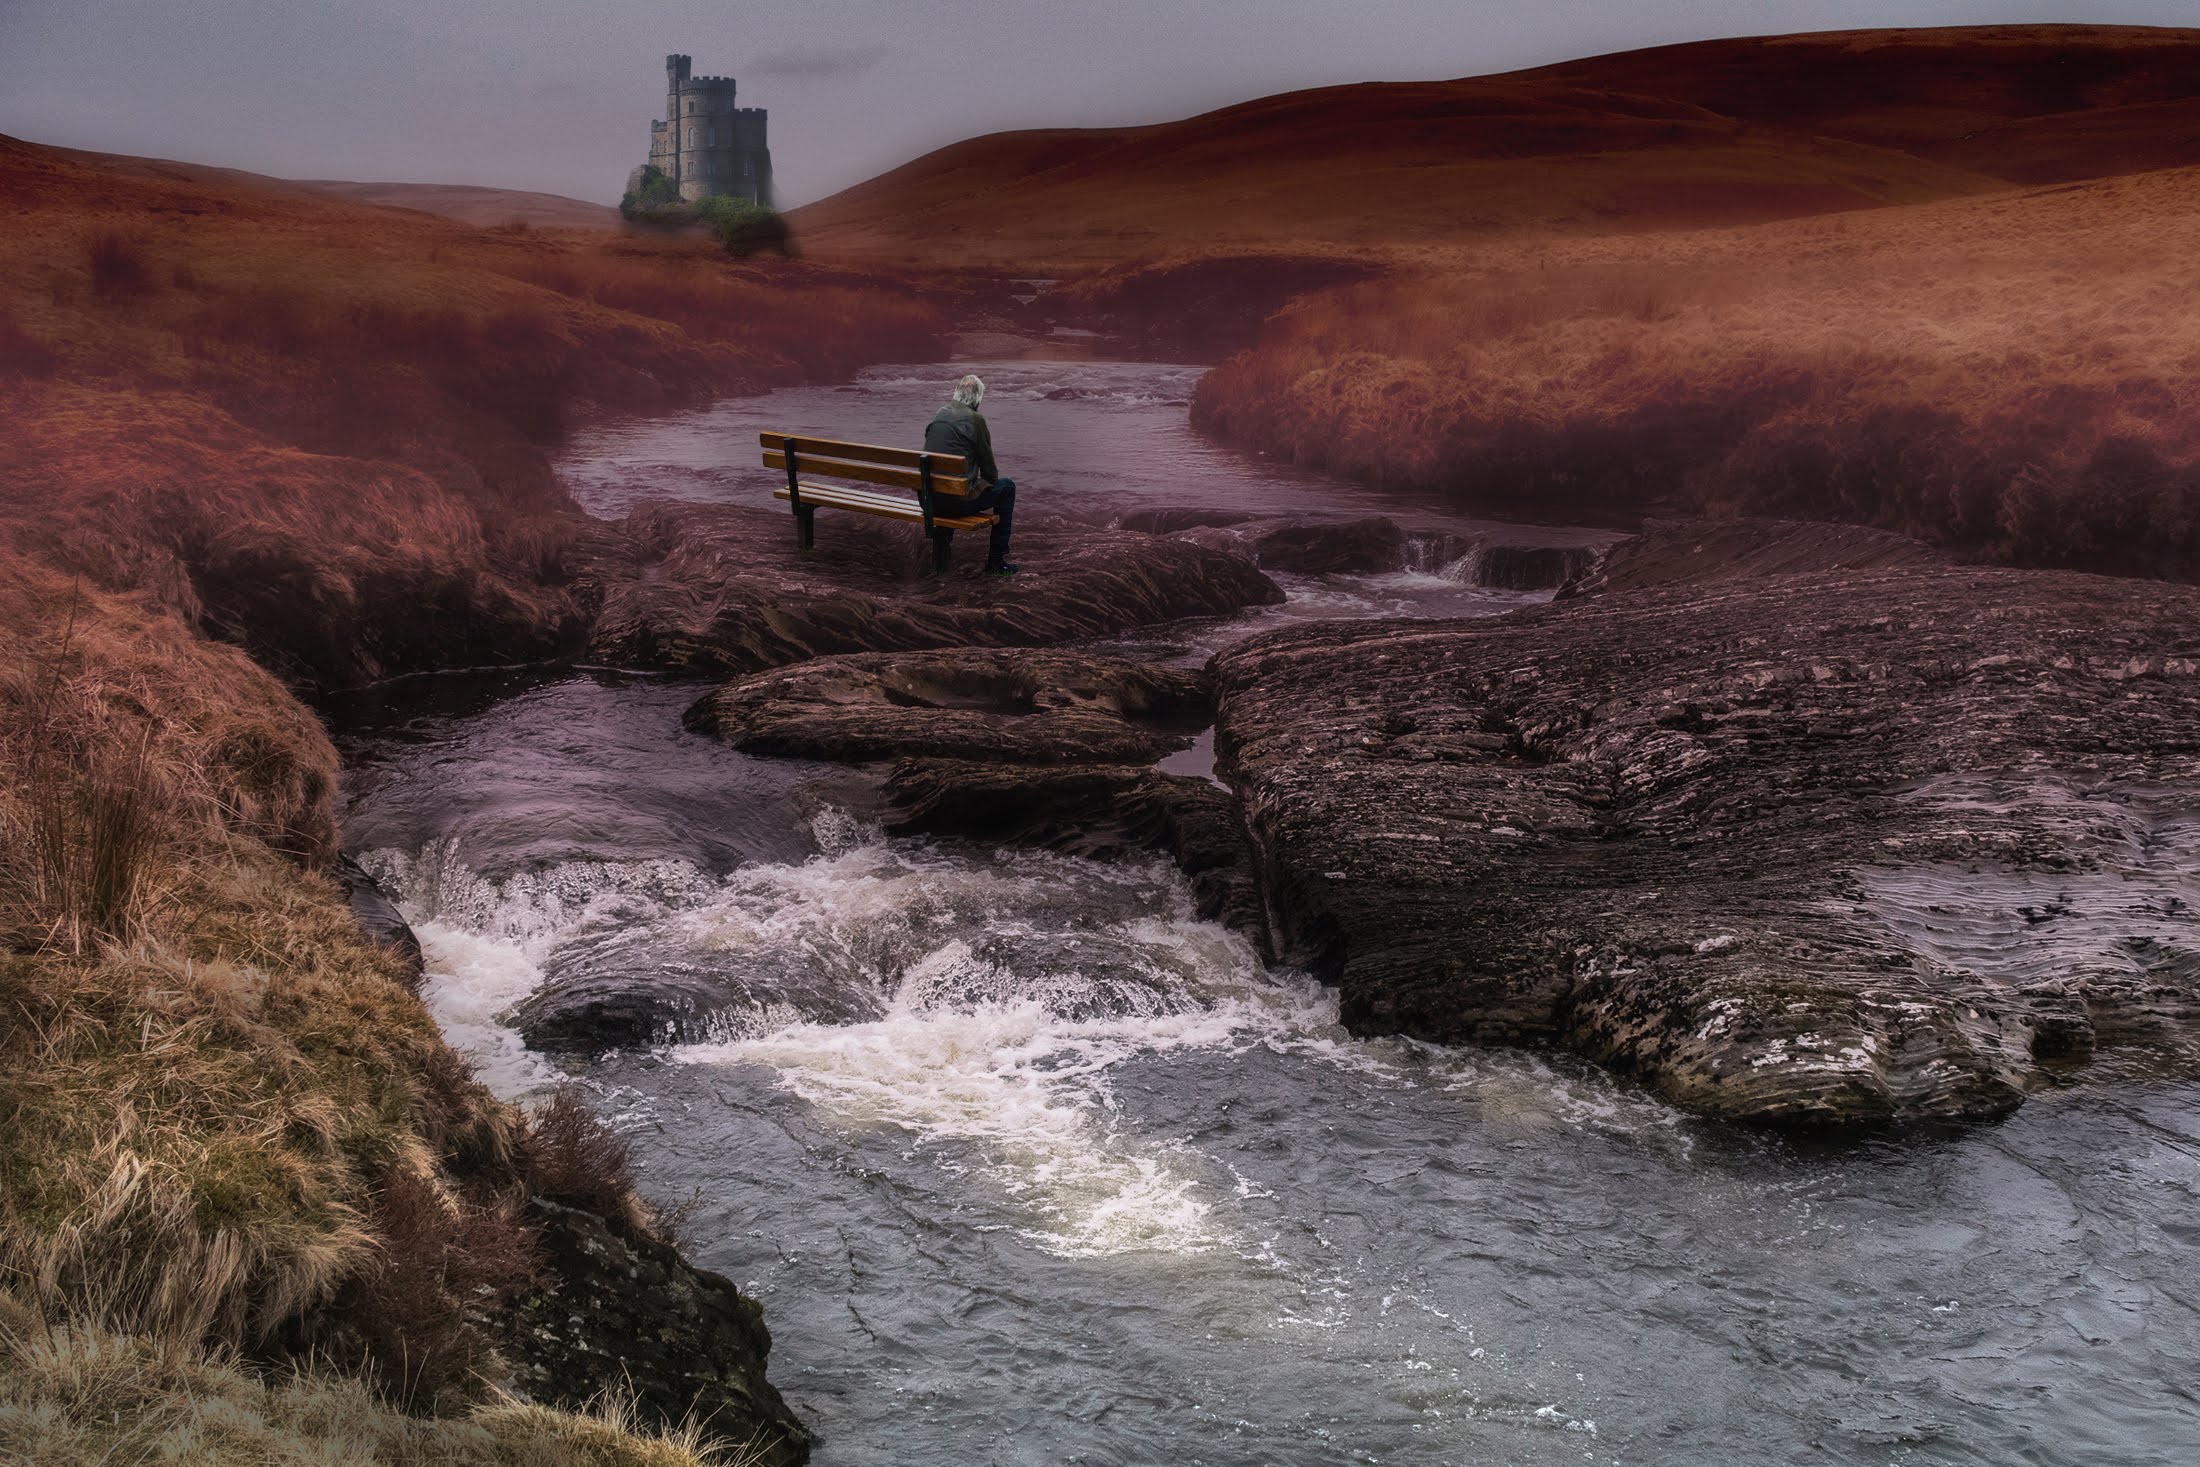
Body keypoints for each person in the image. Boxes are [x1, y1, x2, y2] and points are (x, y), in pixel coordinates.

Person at [923, 374, 1018, 575]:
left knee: (948, 485)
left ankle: (941, 557)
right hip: (954, 505)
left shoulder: (939, 414)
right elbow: (991, 474)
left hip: (930, 501)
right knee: (1007, 487)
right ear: (978, 398)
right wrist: (978, 487)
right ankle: (996, 562)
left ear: (957, 393)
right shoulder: (976, 420)